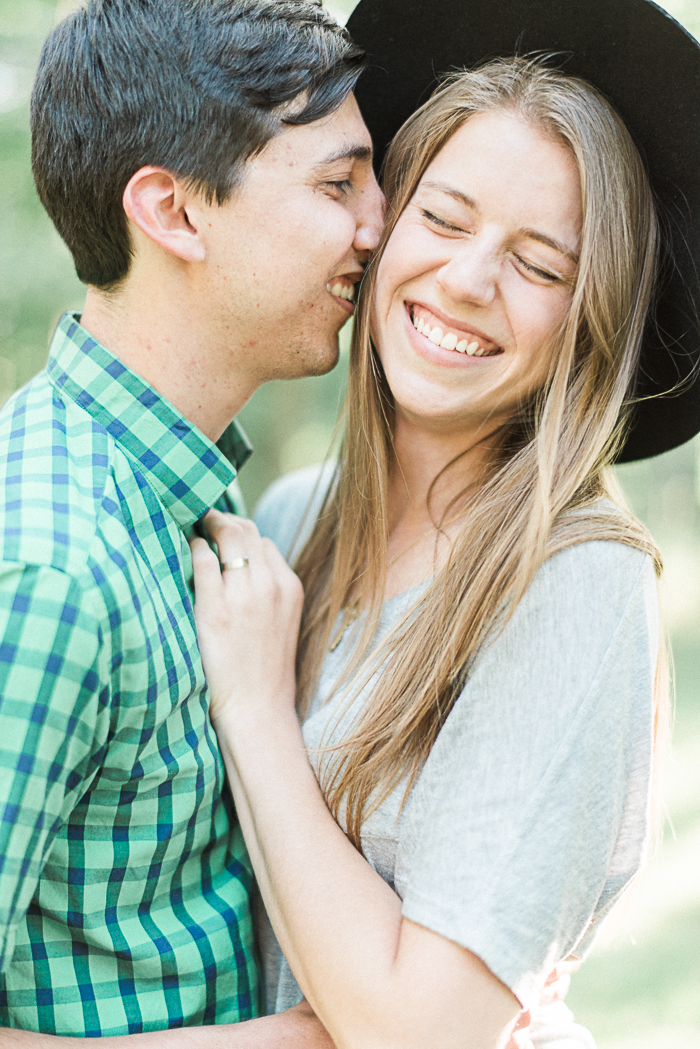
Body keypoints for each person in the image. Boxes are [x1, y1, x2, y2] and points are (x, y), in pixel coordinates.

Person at [189, 1, 700, 1047]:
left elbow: (418, 1032)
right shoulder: (294, 522)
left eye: (540, 265)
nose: (467, 282)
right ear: (382, 222)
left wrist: (253, 706)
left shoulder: (574, 584)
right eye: (445, 217)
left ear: (586, 322)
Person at [0, 0, 383, 1042]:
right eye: (337, 183)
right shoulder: (50, 567)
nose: (379, 224)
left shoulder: (181, 499)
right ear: (172, 213)